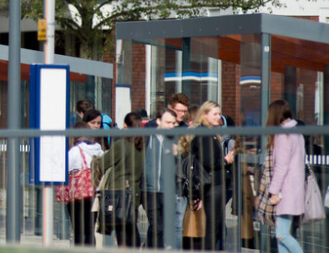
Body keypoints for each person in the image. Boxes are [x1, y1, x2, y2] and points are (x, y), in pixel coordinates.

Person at [178, 101, 228, 251]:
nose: (218, 117)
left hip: (211, 184)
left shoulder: (208, 132)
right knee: (213, 228)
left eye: (219, 114)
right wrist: (226, 160)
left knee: (214, 227)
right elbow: (208, 160)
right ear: (205, 114)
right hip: (212, 184)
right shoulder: (205, 133)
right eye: (215, 114)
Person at [92, 112, 145, 247]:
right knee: (131, 230)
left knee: (122, 233)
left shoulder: (122, 144)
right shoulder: (141, 147)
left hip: (118, 194)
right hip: (134, 193)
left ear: (125, 125)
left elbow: (104, 163)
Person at [260, 100, 304, 253]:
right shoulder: (295, 132)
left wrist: (273, 190)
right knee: (281, 236)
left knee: (282, 234)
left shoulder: (283, 134)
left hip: (285, 191)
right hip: (293, 189)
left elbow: (281, 166)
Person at [143, 108, 182, 248]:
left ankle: (149, 248)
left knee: (163, 228)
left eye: (173, 123)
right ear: (158, 121)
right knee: (157, 227)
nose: (171, 126)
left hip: (168, 190)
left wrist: (179, 153)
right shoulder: (148, 137)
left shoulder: (176, 140)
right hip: (149, 189)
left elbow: (184, 164)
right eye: (168, 122)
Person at [64, 119, 105, 246]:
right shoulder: (98, 149)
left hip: (77, 194)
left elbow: (65, 167)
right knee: (89, 229)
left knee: (78, 230)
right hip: (93, 192)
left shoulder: (75, 151)